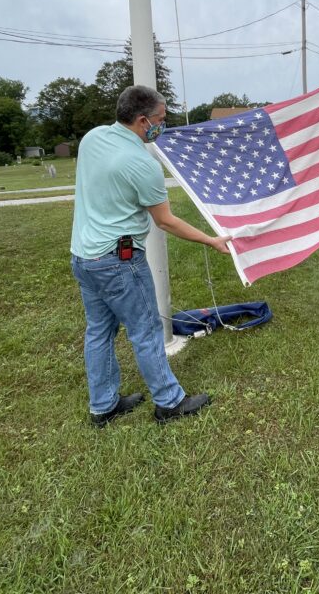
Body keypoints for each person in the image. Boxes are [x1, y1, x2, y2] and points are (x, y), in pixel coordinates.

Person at [70, 85, 231, 427]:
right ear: (143, 121)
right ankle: (169, 402)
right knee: (145, 331)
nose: (164, 125)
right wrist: (211, 240)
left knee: (98, 331)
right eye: (161, 119)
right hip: (118, 261)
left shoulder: (93, 138)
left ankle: (104, 405)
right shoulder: (142, 164)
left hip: (83, 257)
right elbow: (166, 221)